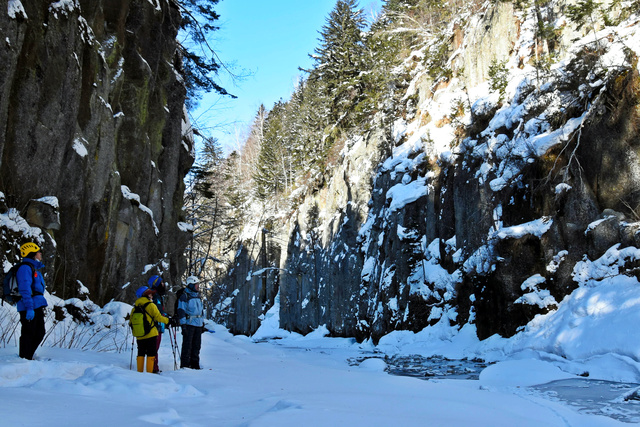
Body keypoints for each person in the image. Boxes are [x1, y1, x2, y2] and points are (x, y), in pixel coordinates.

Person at [16, 242, 48, 360]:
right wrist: (29, 307)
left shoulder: (33, 268)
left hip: (36, 305)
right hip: (29, 306)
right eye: (39, 252)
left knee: (39, 333)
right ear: (33, 254)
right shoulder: (25, 268)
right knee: (29, 333)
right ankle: (24, 358)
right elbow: (25, 289)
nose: (40, 254)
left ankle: (27, 356)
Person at [132, 286, 169, 373]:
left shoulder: (135, 307)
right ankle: (150, 373)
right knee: (151, 353)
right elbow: (158, 317)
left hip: (139, 335)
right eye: (150, 294)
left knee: (140, 353)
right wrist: (168, 320)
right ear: (145, 295)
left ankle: (139, 372)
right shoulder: (150, 305)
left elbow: (131, 322)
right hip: (151, 334)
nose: (152, 296)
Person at [177, 276, 204, 369]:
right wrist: (183, 325)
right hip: (189, 324)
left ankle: (195, 364)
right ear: (191, 285)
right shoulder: (185, 296)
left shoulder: (198, 296)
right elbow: (181, 310)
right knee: (187, 346)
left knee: (197, 346)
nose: (198, 287)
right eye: (196, 285)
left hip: (198, 325)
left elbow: (201, 311)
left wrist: (202, 323)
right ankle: (185, 365)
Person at [148, 275, 167, 373]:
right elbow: (157, 312)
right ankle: (153, 368)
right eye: (161, 282)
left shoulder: (157, 295)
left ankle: (153, 367)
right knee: (154, 347)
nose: (163, 284)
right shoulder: (155, 296)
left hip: (158, 326)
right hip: (155, 326)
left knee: (155, 347)